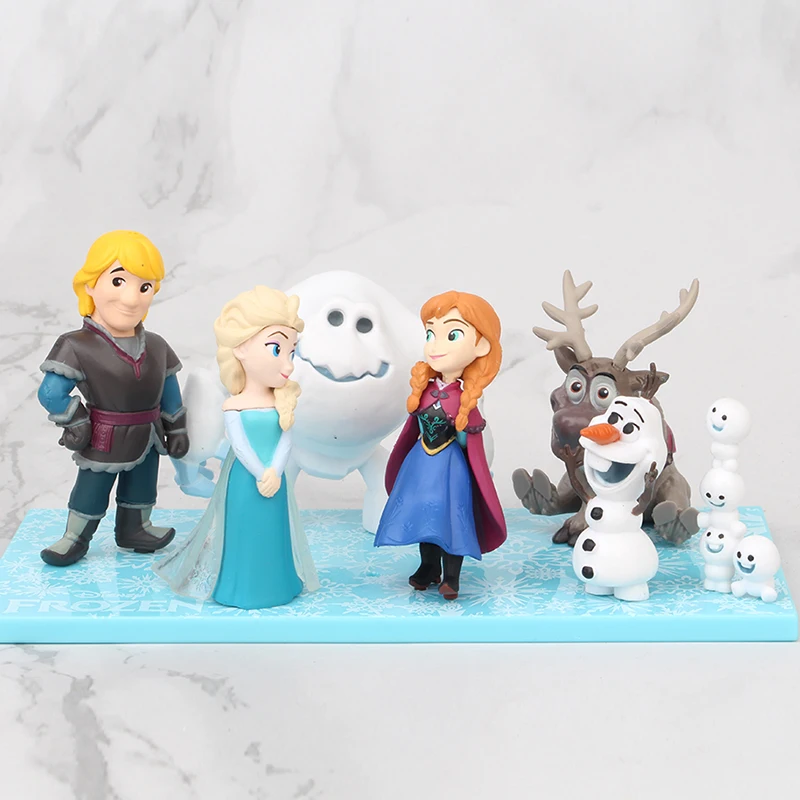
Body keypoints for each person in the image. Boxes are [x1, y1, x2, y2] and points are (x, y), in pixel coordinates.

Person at [153, 286, 318, 609]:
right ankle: (241, 587)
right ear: (241, 348)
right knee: (244, 533)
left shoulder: (280, 402)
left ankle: (278, 583)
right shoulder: (234, 405)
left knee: (274, 532)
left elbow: (286, 439)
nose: (287, 365)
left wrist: (275, 472)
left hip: (274, 481)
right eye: (276, 349)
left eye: (291, 352)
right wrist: (261, 473)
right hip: (245, 481)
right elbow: (239, 446)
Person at [37, 231, 188, 566]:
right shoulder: (76, 345)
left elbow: (169, 388)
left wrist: (176, 428)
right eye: (118, 281)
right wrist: (76, 421)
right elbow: (51, 392)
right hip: (104, 435)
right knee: (92, 488)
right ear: (90, 285)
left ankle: (136, 528)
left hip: (149, 434)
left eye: (144, 287)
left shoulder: (157, 345)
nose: (131, 299)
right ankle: (75, 537)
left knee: (142, 486)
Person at [374, 290, 507, 600]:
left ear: (480, 345)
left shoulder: (466, 398)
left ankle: (452, 576)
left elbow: (472, 443)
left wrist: (464, 431)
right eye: (431, 334)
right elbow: (412, 429)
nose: (436, 345)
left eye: (453, 335)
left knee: (451, 520)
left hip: (450, 469)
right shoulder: (425, 389)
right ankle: (428, 566)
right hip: (420, 466)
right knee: (424, 516)